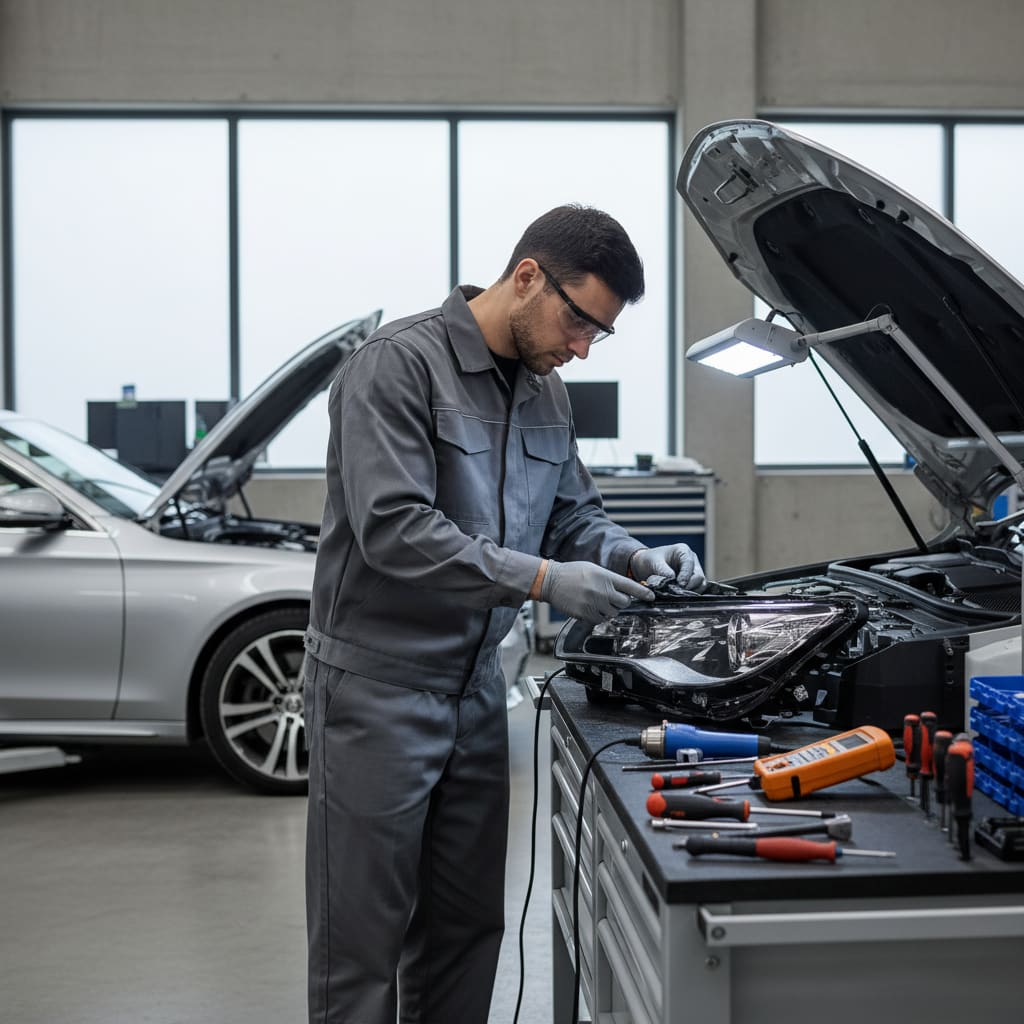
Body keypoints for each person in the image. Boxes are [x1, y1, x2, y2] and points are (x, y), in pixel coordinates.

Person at [303, 204, 705, 1024]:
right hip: (376, 690)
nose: (583, 347)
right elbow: (396, 531)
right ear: (527, 277)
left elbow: (573, 516)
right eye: (579, 319)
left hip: (479, 693)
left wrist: (631, 553)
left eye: (603, 334)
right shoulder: (395, 368)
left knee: (468, 927)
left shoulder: (547, 396)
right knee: (361, 951)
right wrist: (548, 581)